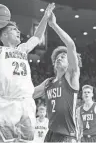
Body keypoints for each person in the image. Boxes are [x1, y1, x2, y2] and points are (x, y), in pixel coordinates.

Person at [0, 3, 55, 142]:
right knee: (7, 141)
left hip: (27, 101)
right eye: (14, 30)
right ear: (4, 34)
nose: (18, 32)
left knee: (27, 140)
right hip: (9, 103)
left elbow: (37, 36)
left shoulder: (23, 49)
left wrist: (45, 17)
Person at [33, 12, 82, 142]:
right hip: (50, 133)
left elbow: (71, 45)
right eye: (57, 57)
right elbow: (30, 94)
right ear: (54, 64)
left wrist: (53, 25)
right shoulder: (48, 82)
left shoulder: (71, 76)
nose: (59, 58)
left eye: (63, 57)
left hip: (67, 135)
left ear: (70, 62)